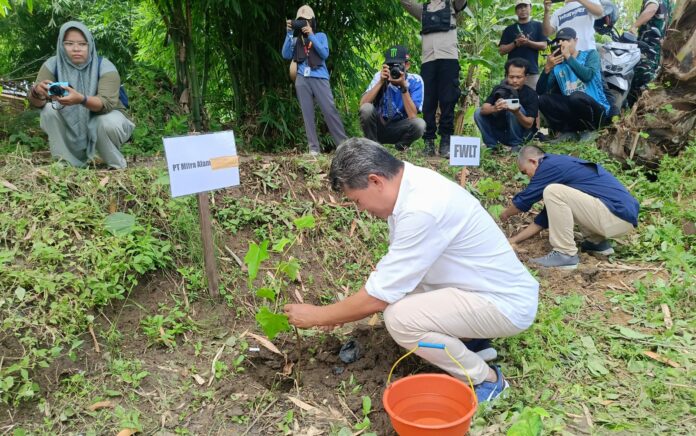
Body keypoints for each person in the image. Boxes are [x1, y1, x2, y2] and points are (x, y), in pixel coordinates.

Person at [284, 138, 539, 402]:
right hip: (483, 288)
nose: (361, 209)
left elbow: (378, 296)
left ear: (375, 181)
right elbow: (394, 279)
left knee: (400, 319)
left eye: (357, 200)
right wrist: (343, 311)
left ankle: (486, 379)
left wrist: (320, 316)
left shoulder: (421, 208)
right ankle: (471, 340)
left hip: (504, 303)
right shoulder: (412, 183)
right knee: (403, 295)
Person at [501, 145, 639, 269]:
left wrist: (504, 214)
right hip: (621, 219)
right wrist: (513, 240)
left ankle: (564, 253)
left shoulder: (548, 166)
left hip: (615, 215)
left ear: (532, 161)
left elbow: (523, 201)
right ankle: (597, 244)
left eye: (525, 172)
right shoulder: (560, 166)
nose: (528, 177)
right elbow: (544, 219)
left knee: (552, 190)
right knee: (555, 192)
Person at [28, 21, 133, 169]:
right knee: (48, 111)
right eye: (69, 43)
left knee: (105, 123)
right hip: (66, 116)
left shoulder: (105, 66)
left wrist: (81, 99)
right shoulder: (52, 65)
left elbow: (106, 105)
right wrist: (37, 92)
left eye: (82, 44)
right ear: (61, 45)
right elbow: (36, 105)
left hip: (104, 117)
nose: (76, 49)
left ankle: (116, 164)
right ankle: (65, 163)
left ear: (90, 45)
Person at [400, 0, 468, 157]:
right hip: (428, 60)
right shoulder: (422, 9)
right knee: (429, 101)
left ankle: (446, 141)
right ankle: (429, 141)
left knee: (448, 99)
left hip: (449, 59)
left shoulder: (452, 5)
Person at [281, 5, 347, 156]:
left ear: (312, 22)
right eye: (301, 21)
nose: (304, 23)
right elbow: (285, 55)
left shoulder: (321, 36)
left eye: (307, 21)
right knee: (307, 113)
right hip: (302, 79)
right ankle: (313, 149)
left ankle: (343, 146)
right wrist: (289, 33)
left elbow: (324, 53)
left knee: (329, 110)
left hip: (320, 77)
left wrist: (311, 35)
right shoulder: (296, 40)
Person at [536, 27, 611, 141]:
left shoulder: (590, 54)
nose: (561, 44)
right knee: (543, 99)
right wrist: (547, 69)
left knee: (576, 96)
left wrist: (568, 57)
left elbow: (587, 76)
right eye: (559, 41)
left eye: (565, 40)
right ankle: (567, 131)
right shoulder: (558, 66)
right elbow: (540, 91)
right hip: (574, 112)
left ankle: (590, 130)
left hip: (596, 111)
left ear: (575, 41)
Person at [359, 45, 425, 151]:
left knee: (420, 124)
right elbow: (363, 104)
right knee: (366, 108)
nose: (394, 69)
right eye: (390, 65)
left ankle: (401, 147)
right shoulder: (379, 76)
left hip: (399, 128)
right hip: (378, 126)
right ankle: (372, 147)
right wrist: (381, 82)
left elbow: (413, 116)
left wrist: (403, 87)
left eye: (398, 65)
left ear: (407, 65)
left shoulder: (416, 80)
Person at [474, 58, 538, 152]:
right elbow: (483, 109)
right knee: (478, 112)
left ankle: (516, 145)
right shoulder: (499, 89)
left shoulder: (531, 94)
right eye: (511, 77)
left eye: (518, 77)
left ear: (526, 77)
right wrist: (495, 108)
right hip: (501, 132)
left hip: (522, 134)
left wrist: (517, 113)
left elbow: (529, 124)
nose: (515, 80)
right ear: (506, 76)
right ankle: (492, 146)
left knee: (513, 109)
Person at [628, 0, 673, 102]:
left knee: (638, 82)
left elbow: (652, 9)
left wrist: (633, 27)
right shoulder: (669, 5)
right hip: (657, 55)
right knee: (647, 87)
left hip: (646, 50)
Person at [499, 0, 548, 89]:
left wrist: (528, 42)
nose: (523, 9)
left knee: (533, 100)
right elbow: (501, 51)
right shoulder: (509, 29)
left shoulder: (538, 26)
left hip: (531, 73)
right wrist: (515, 43)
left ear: (530, 8)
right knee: (510, 100)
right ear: (516, 11)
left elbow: (544, 45)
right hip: (512, 74)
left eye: (525, 6)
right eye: (520, 7)